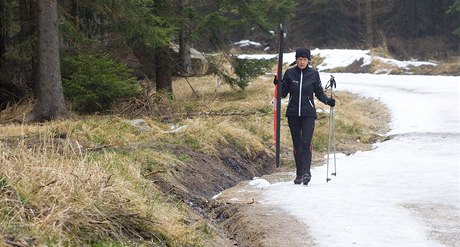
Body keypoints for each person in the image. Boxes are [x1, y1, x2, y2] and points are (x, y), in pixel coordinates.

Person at [274, 48, 335, 185]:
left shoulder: (313, 74)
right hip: (293, 113)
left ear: (308, 60)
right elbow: (283, 94)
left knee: (306, 143)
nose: (302, 62)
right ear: (296, 60)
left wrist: (327, 101)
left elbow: (319, 92)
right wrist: (278, 83)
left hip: (308, 113)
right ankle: (299, 173)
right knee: (297, 144)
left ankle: (307, 172)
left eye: (304, 59)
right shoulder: (290, 73)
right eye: (299, 59)